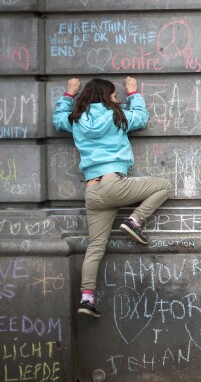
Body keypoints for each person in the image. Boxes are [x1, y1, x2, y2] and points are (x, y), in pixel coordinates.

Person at [52, 76, 172, 318]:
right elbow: (142, 117)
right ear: (107, 96)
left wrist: (68, 94)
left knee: (95, 247)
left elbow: (57, 121)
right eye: (115, 96)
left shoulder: (76, 119)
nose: (117, 99)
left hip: (92, 192)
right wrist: (134, 93)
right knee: (165, 186)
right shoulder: (117, 116)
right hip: (112, 183)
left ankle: (87, 299)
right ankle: (135, 221)